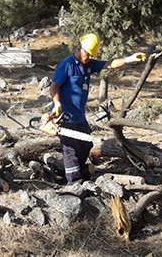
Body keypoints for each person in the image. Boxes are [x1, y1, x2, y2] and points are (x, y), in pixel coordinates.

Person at [50, 33, 146, 184]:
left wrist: (129, 59)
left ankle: (72, 172)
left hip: (79, 116)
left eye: (91, 55)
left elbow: (110, 64)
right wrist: (56, 103)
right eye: (87, 53)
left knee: (87, 143)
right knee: (70, 149)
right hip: (66, 116)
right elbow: (54, 86)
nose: (88, 57)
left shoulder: (88, 65)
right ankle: (74, 183)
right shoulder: (66, 65)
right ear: (79, 48)